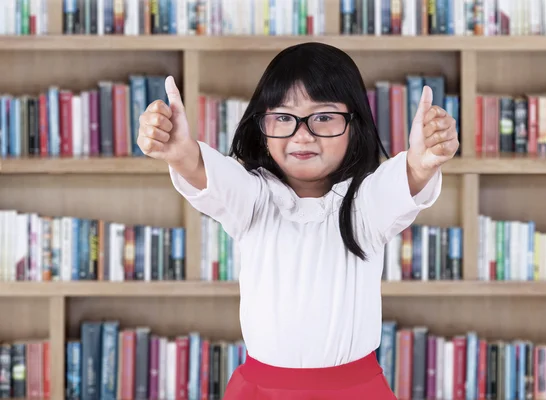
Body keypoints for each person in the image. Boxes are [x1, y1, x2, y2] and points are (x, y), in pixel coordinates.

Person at [137, 42, 459, 399]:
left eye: (323, 117)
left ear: (354, 124)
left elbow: (401, 184)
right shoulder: (254, 200)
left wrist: (421, 162)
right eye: (284, 118)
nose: (302, 135)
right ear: (262, 125)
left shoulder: (364, 205)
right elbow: (208, 174)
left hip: (355, 391)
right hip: (261, 391)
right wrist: (181, 154)